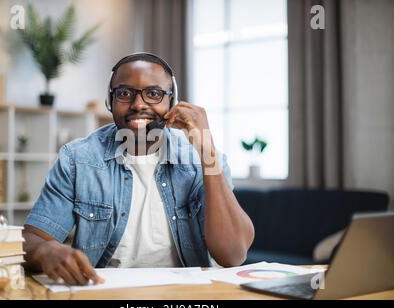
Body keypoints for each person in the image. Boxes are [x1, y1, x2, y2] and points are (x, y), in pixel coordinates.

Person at [23, 52, 255, 285]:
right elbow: (32, 238)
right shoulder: (77, 159)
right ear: (110, 101)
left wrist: (208, 153)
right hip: (103, 292)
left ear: (172, 102)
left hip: (185, 297)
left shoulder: (201, 158)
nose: (138, 104)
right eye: (124, 93)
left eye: (153, 94)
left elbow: (233, 255)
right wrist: (46, 252)